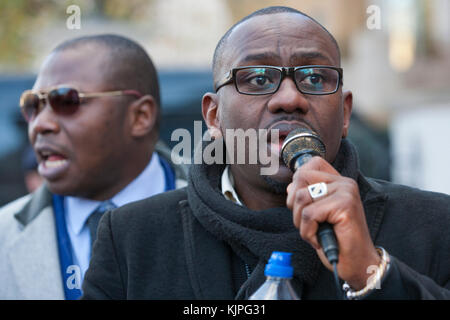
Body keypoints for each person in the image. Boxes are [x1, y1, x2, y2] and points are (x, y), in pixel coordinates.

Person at [82, 7, 450, 300]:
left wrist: (370, 272)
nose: (289, 98)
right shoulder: (132, 238)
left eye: (314, 78)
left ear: (345, 114)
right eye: (258, 78)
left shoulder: (434, 224)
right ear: (214, 116)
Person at [0, 34, 188, 300]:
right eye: (34, 105)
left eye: (65, 101)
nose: (40, 124)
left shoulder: (228, 216)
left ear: (140, 116)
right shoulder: (4, 235)